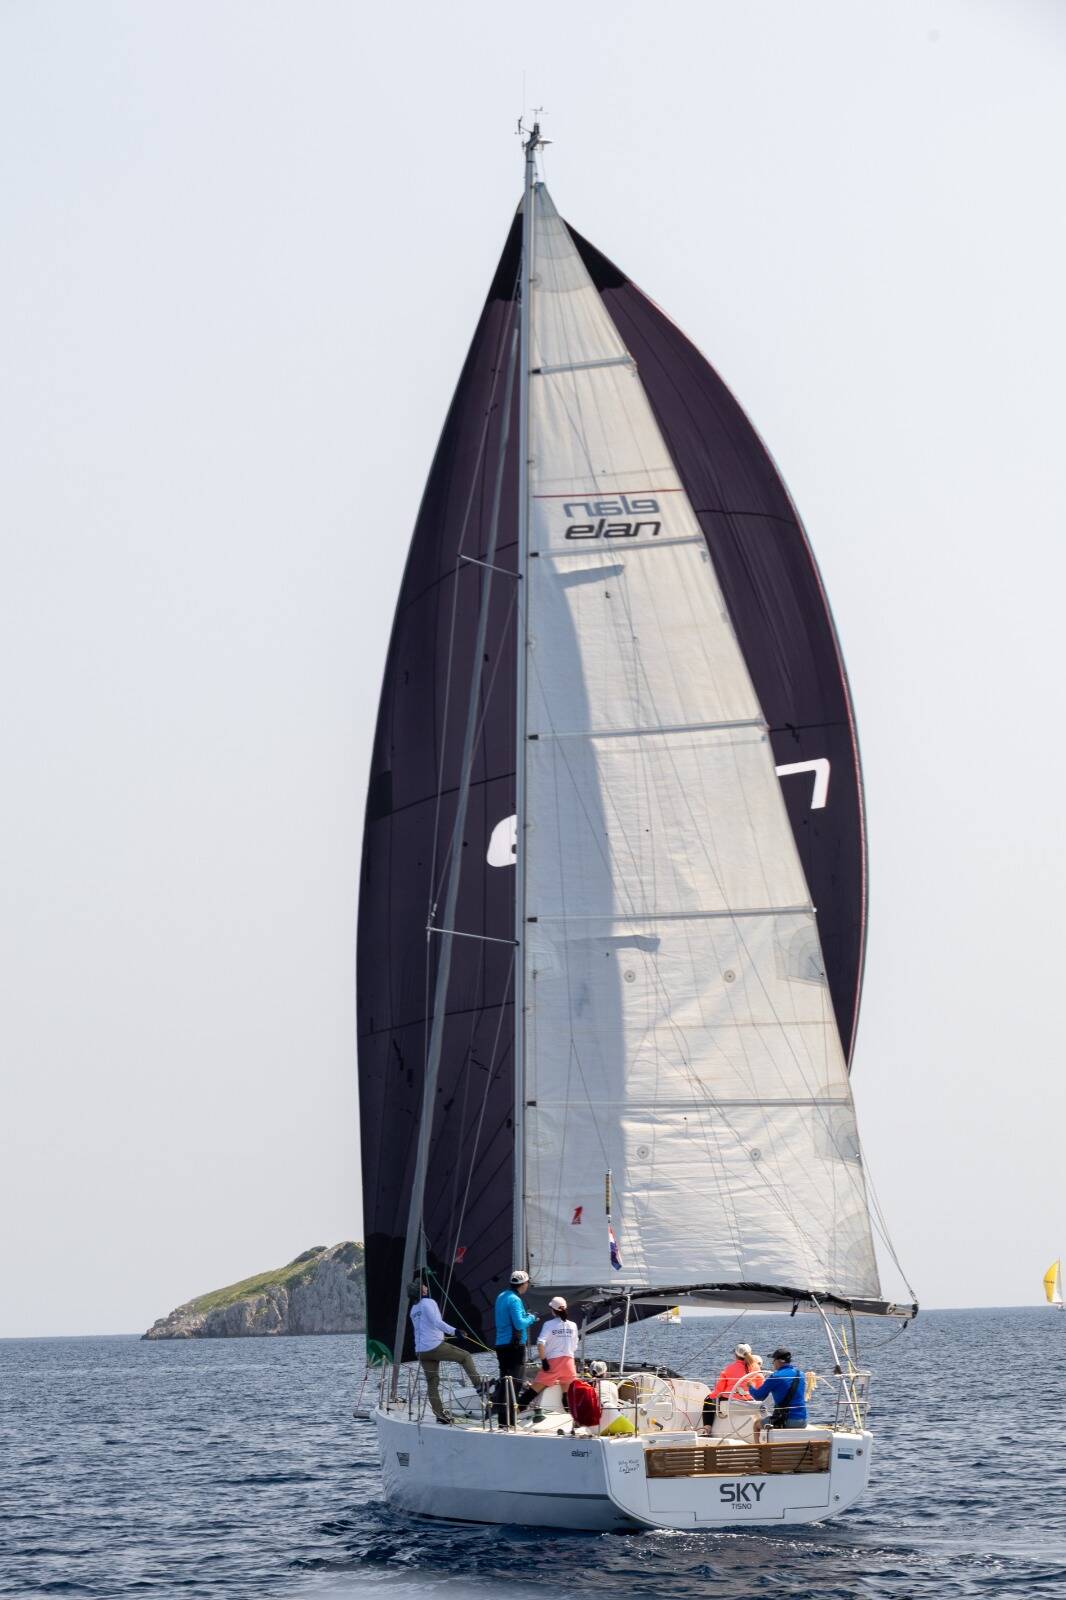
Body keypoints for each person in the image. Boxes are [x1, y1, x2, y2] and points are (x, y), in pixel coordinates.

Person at [408, 1281, 480, 1426]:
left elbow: (426, 1327)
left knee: (432, 1382)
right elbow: (437, 1322)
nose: (426, 1286)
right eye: (423, 1285)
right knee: (465, 1356)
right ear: (421, 1291)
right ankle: (479, 1386)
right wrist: (455, 1331)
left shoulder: (413, 1309)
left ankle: (440, 1415)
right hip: (434, 1347)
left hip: (421, 1351)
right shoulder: (428, 1303)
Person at [493, 1268, 537, 1425]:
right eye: (527, 1283)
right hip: (514, 1346)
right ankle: (510, 1422)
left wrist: (525, 1316)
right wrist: (532, 1318)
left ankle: (502, 1421)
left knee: (504, 1382)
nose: (527, 1286)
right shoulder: (515, 1300)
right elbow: (519, 1324)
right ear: (523, 1284)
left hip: (501, 1345)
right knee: (515, 1384)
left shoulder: (501, 1296)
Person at [529, 1296, 579, 1399]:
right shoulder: (573, 1325)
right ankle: (568, 1409)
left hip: (553, 1364)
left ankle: (516, 1409)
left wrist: (544, 1361)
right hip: (569, 1363)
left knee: (530, 1394)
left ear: (552, 1310)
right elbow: (574, 1346)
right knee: (567, 1397)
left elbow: (540, 1343)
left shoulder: (548, 1324)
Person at [746, 1347, 808, 1430]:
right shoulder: (801, 1374)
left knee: (757, 1424)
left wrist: (750, 1386)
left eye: (773, 1360)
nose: (772, 1363)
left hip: (785, 1421)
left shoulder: (775, 1376)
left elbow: (758, 1396)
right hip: (803, 1421)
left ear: (779, 1361)